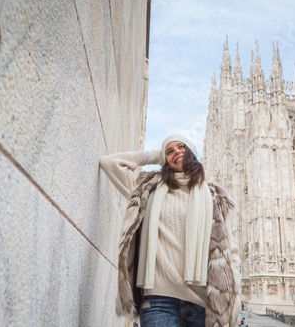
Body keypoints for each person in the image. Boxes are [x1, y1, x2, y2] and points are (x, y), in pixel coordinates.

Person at [99, 134, 241, 326]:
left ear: (192, 151)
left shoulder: (214, 196)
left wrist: (234, 294)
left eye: (182, 147)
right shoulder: (148, 188)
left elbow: (228, 248)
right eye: (170, 151)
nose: (177, 153)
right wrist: (154, 156)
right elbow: (110, 163)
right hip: (159, 300)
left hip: (203, 303)